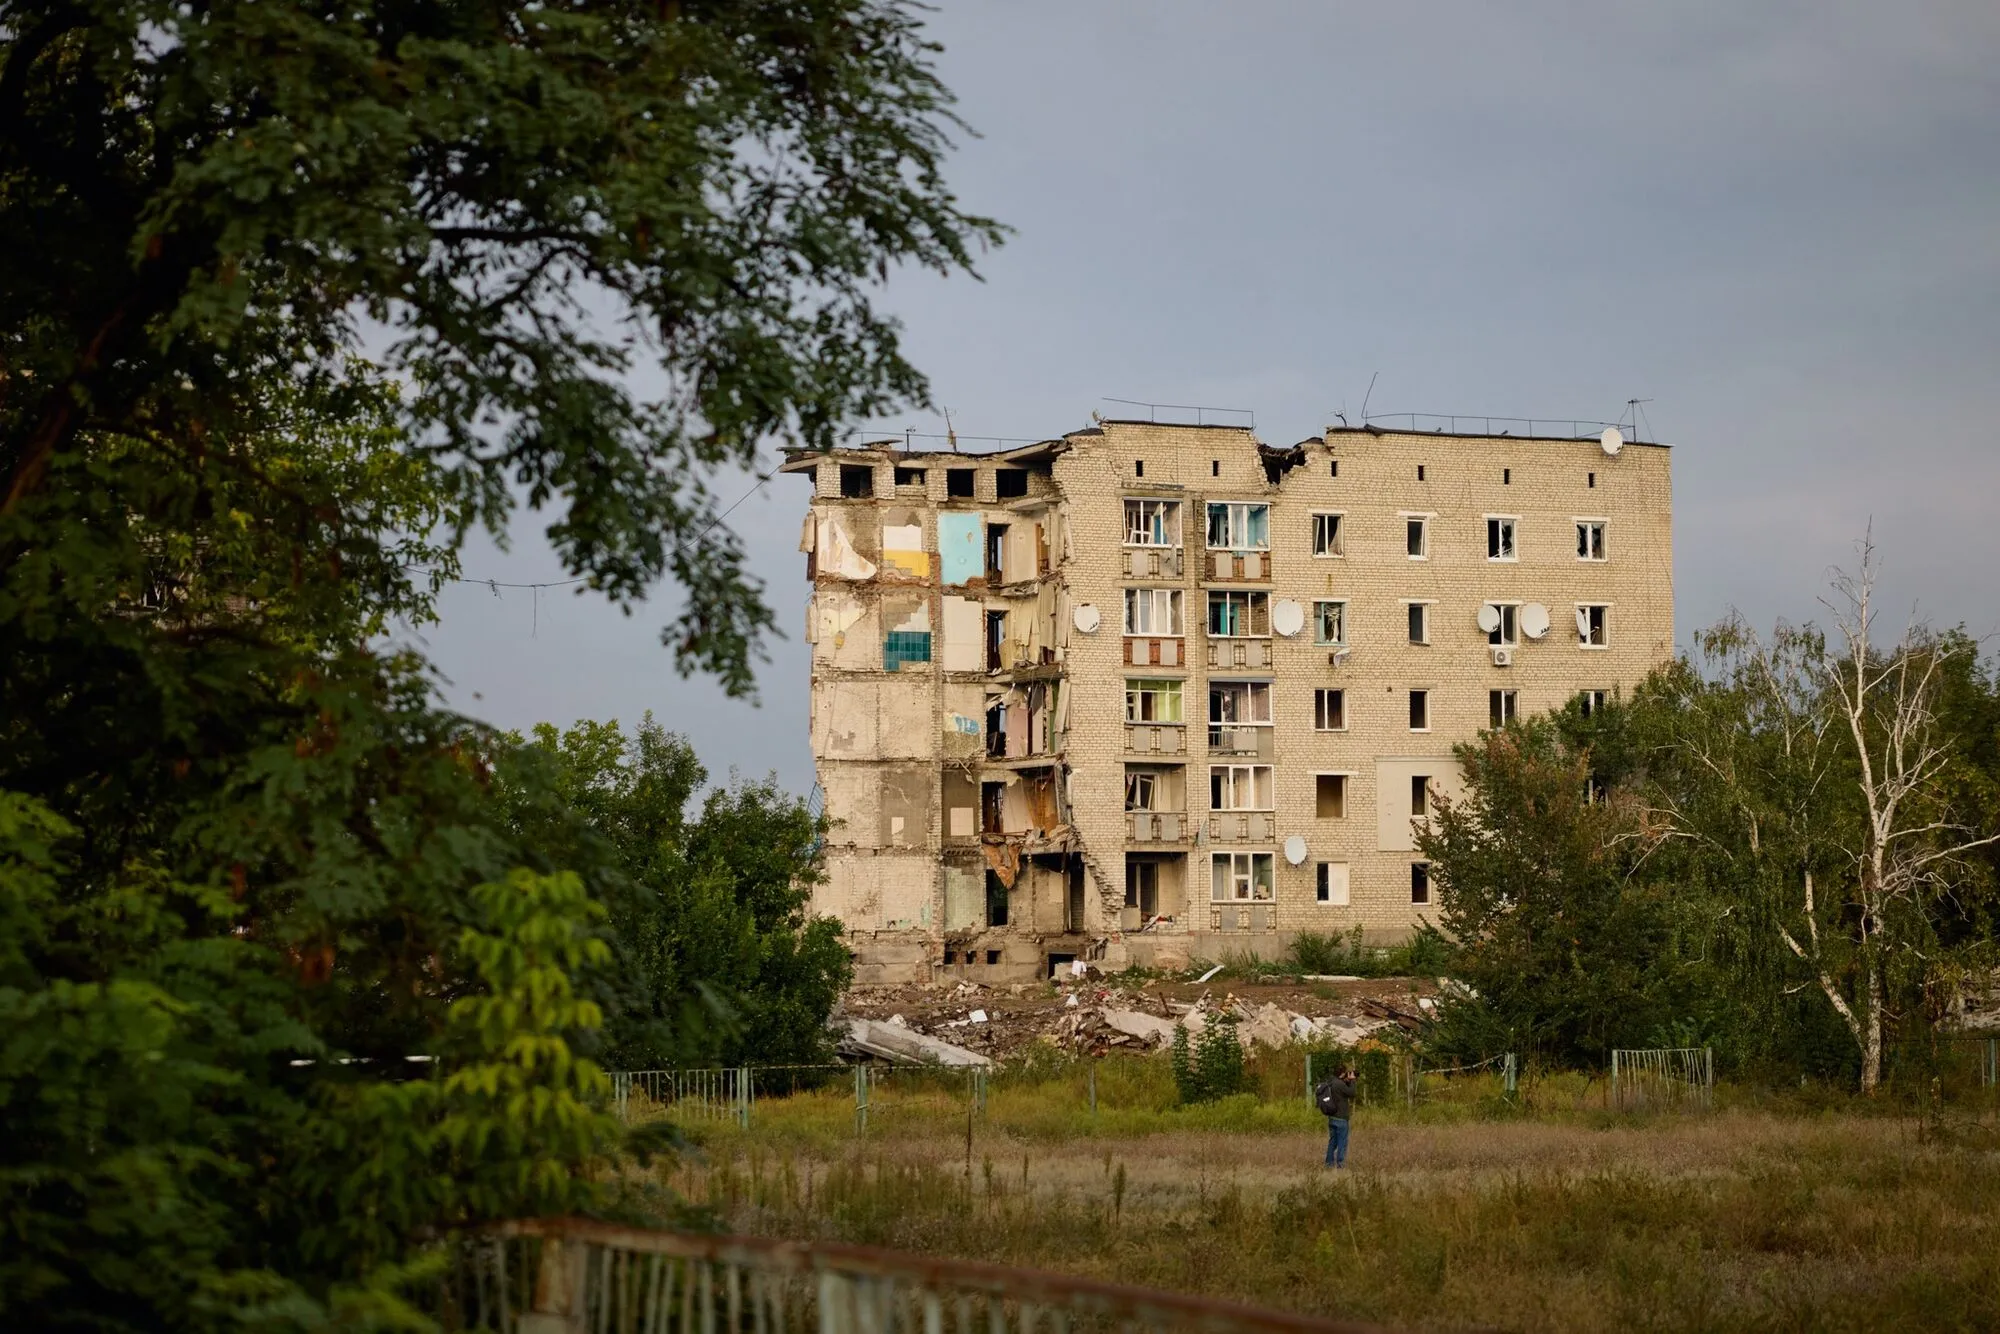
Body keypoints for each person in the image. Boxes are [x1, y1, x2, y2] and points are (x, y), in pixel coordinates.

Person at [1314, 1064, 1356, 1169]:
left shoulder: (1331, 1082)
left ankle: (1329, 1164)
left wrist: (1347, 1081)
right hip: (1341, 1118)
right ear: (1342, 1073)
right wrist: (1353, 1081)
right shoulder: (1340, 1084)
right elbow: (1352, 1093)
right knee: (1342, 1142)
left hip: (1332, 1117)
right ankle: (1340, 1165)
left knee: (1332, 1141)